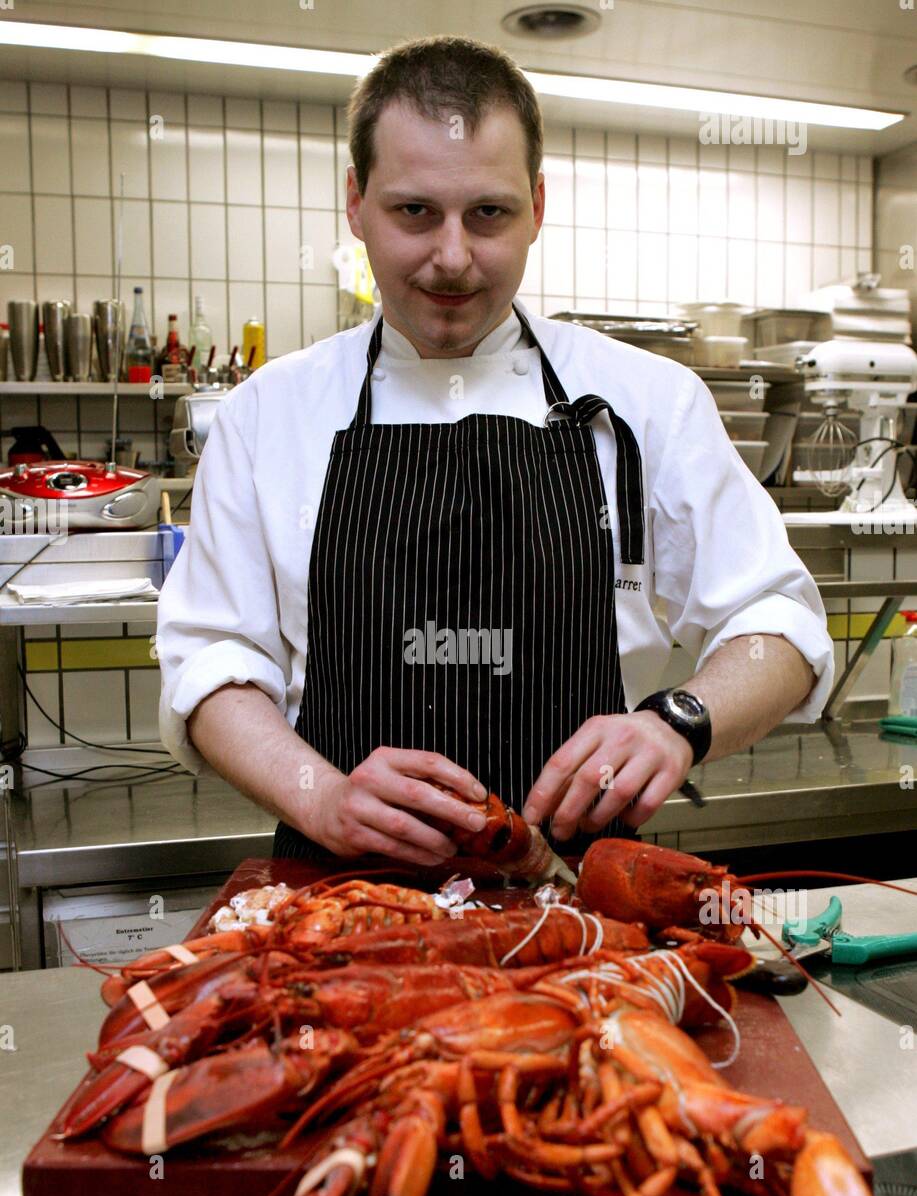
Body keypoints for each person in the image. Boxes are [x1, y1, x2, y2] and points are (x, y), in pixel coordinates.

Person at [157, 34, 833, 869]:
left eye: (489, 214)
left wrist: (677, 723)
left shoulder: (648, 401)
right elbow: (212, 660)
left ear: (537, 207)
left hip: (576, 920)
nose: (452, 257)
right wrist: (320, 796)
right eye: (413, 212)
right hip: (335, 919)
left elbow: (781, 626)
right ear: (355, 204)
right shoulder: (268, 414)